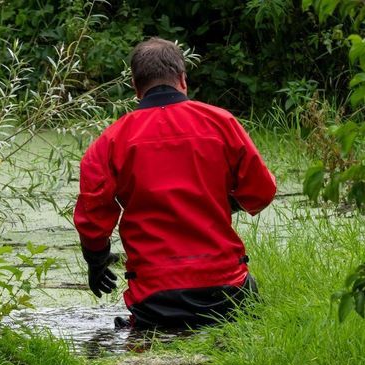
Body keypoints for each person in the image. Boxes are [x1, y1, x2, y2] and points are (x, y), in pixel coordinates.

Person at [74, 37, 277, 329]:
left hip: (156, 299)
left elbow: (93, 214)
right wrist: (217, 202)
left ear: (135, 86)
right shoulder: (222, 123)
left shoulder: (110, 141)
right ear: (183, 79)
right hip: (226, 291)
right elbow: (262, 191)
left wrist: (96, 263)